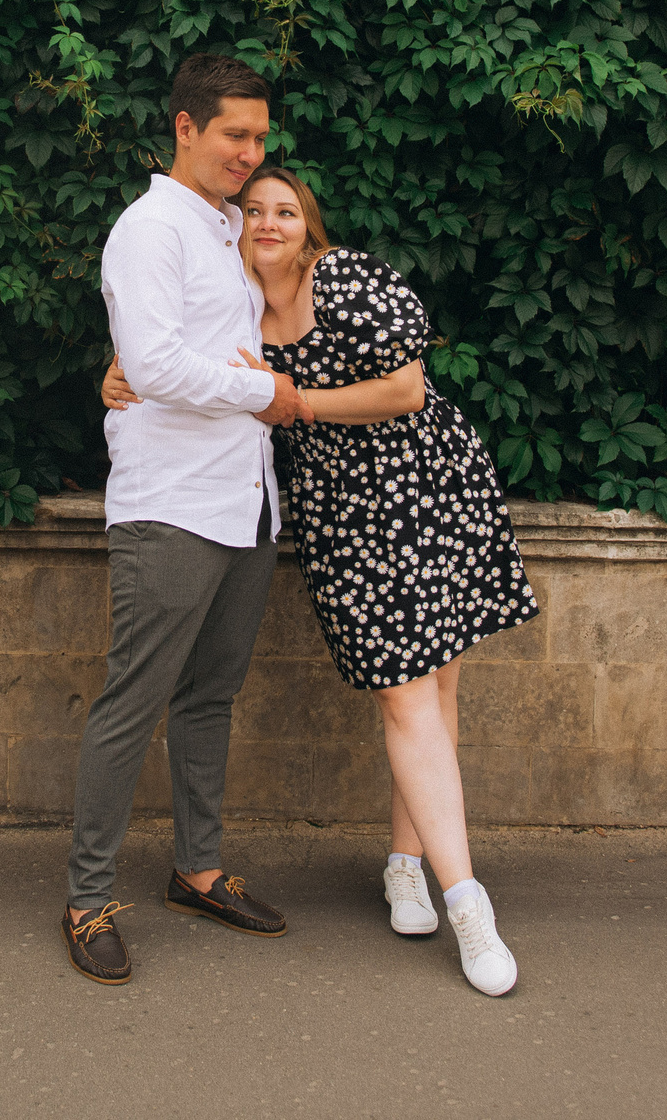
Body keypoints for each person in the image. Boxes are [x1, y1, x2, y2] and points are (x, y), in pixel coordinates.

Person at [102, 164, 540, 996]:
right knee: (408, 698)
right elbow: (158, 355)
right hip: (343, 513)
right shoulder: (233, 302)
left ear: (309, 226)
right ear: (235, 227)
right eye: (255, 210)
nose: (269, 222)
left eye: (287, 210)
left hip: (426, 485)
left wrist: (296, 401)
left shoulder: (341, 278)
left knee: (433, 692)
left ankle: (418, 872)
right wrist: (112, 374)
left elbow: (406, 388)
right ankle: (460, 897)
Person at [62, 53, 307, 987]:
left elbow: (181, 351)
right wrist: (262, 391)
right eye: (234, 134)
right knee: (134, 699)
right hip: (170, 505)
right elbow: (157, 364)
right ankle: (86, 899)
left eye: (260, 136)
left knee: (210, 696)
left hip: (246, 501)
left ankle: (196, 871)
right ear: (185, 127)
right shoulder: (149, 228)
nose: (250, 152)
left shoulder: (228, 229)